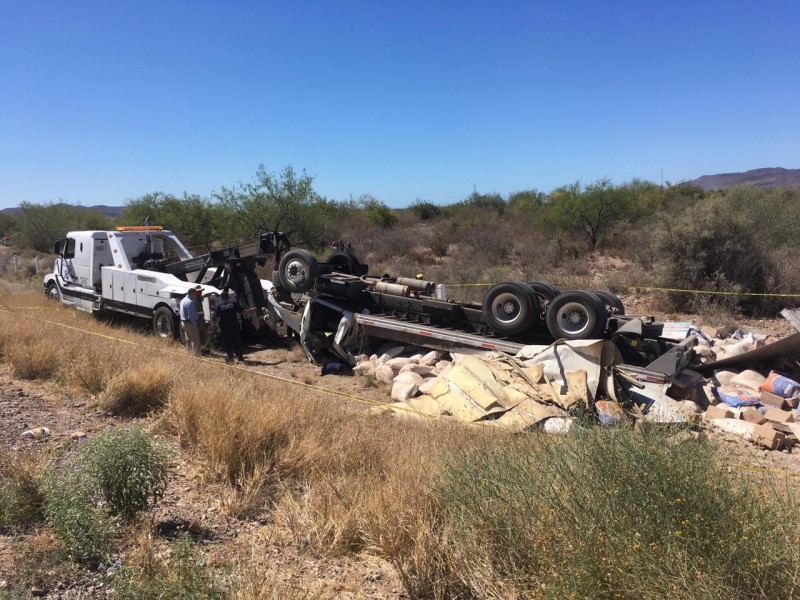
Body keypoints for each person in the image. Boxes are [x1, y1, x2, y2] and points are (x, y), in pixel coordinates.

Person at [213, 290, 254, 363]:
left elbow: (216, 317)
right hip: (234, 325)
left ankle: (230, 357)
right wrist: (253, 310)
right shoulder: (234, 303)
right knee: (236, 340)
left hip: (225, 326)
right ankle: (240, 357)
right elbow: (243, 312)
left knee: (228, 342)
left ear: (222, 298)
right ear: (228, 297)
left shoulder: (219, 306)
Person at [179, 288, 201, 355]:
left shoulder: (182, 300)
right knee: (195, 339)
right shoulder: (189, 302)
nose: (195, 296)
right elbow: (190, 314)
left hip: (183, 322)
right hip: (190, 322)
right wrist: (194, 323)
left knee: (188, 338)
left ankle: (188, 352)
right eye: (195, 294)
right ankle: (196, 354)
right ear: (191, 294)